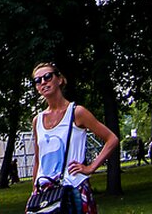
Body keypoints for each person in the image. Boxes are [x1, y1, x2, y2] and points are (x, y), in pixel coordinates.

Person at [29, 63, 119, 214]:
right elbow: (38, 160)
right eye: (38, 80)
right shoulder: (37, 120)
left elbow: (112, 139)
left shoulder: (76, 112)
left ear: (59, 79)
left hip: (73, 188)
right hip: (45, 192)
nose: (43, 82)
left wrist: (90, 168)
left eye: (47, 77)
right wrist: (34, 191)